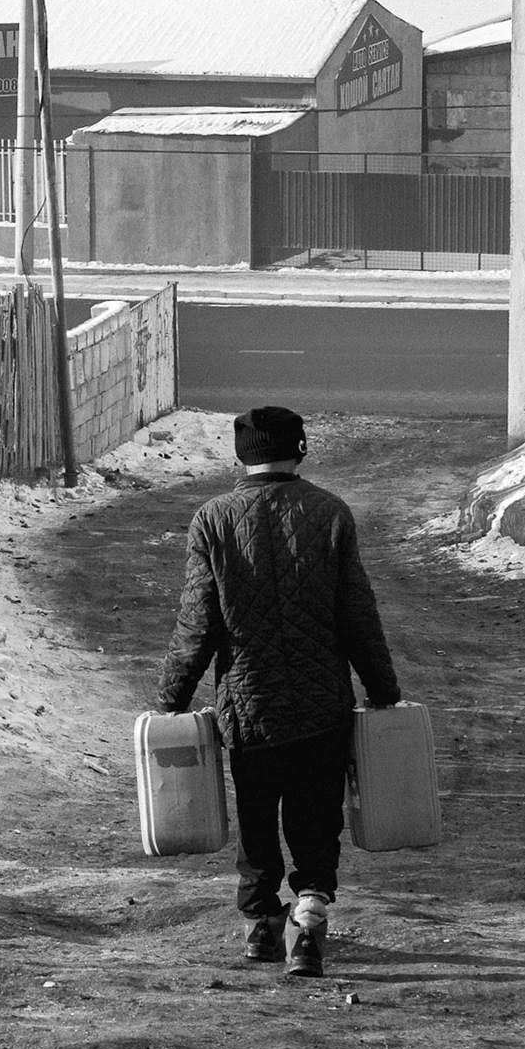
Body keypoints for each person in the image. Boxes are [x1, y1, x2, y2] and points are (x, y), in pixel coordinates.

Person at [156, 406, 401, 978]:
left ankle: (261, 925)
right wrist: (382, 687)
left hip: (250, 706)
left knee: (258, 818)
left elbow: (198, 623)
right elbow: (357, 614)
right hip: (321, 709)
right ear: (301, 450)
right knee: (316, 820)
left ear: (241, 456)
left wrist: (172, 696)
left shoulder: (212, 519)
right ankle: (310, 918)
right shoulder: (330, 513)